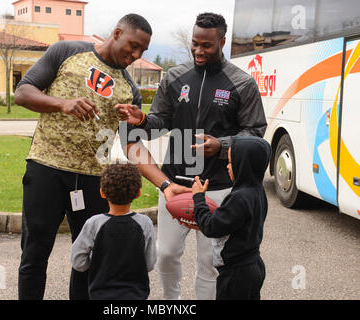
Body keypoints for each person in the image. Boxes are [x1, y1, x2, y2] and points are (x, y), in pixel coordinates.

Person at [116, 12, 267, 299]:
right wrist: (142, 121)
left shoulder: (242, 83)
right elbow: (161, 120)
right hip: (175, 183)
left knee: (209, 262)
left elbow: (255, 132)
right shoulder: (174, 77)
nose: (199, 51)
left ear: (222, 41)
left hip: (218, 188)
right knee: (166, 254)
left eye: (206, 45)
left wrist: (221, 145)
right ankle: (172, 302)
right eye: (195, 44)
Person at [14, 13, 152, 300]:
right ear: (117, 33)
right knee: (35, 252)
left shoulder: (130, 89)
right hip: (46, 168)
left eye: (143, 51)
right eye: (133, 45)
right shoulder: (67, 52)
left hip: (92, 181)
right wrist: (62, 104)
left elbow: (132, 146)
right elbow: (24, 93)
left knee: (89, 257)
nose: (136, 55)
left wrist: (163, 182)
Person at [192, 136, 271, 300]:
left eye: (230, 162)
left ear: (243, 165)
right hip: (254, 265)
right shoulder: (257, 191)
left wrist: (199, 198)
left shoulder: (239, 198)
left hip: (236, 274)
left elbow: (211, 227)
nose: (227, 167)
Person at [71, 162, 156, 300]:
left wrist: (96, 264)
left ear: (102, 193)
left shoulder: (94, 223)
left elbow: (78, 261)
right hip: (136, 294)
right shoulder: (144, 223)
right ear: (138, 193)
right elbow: (150, 263)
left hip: (100, 293)